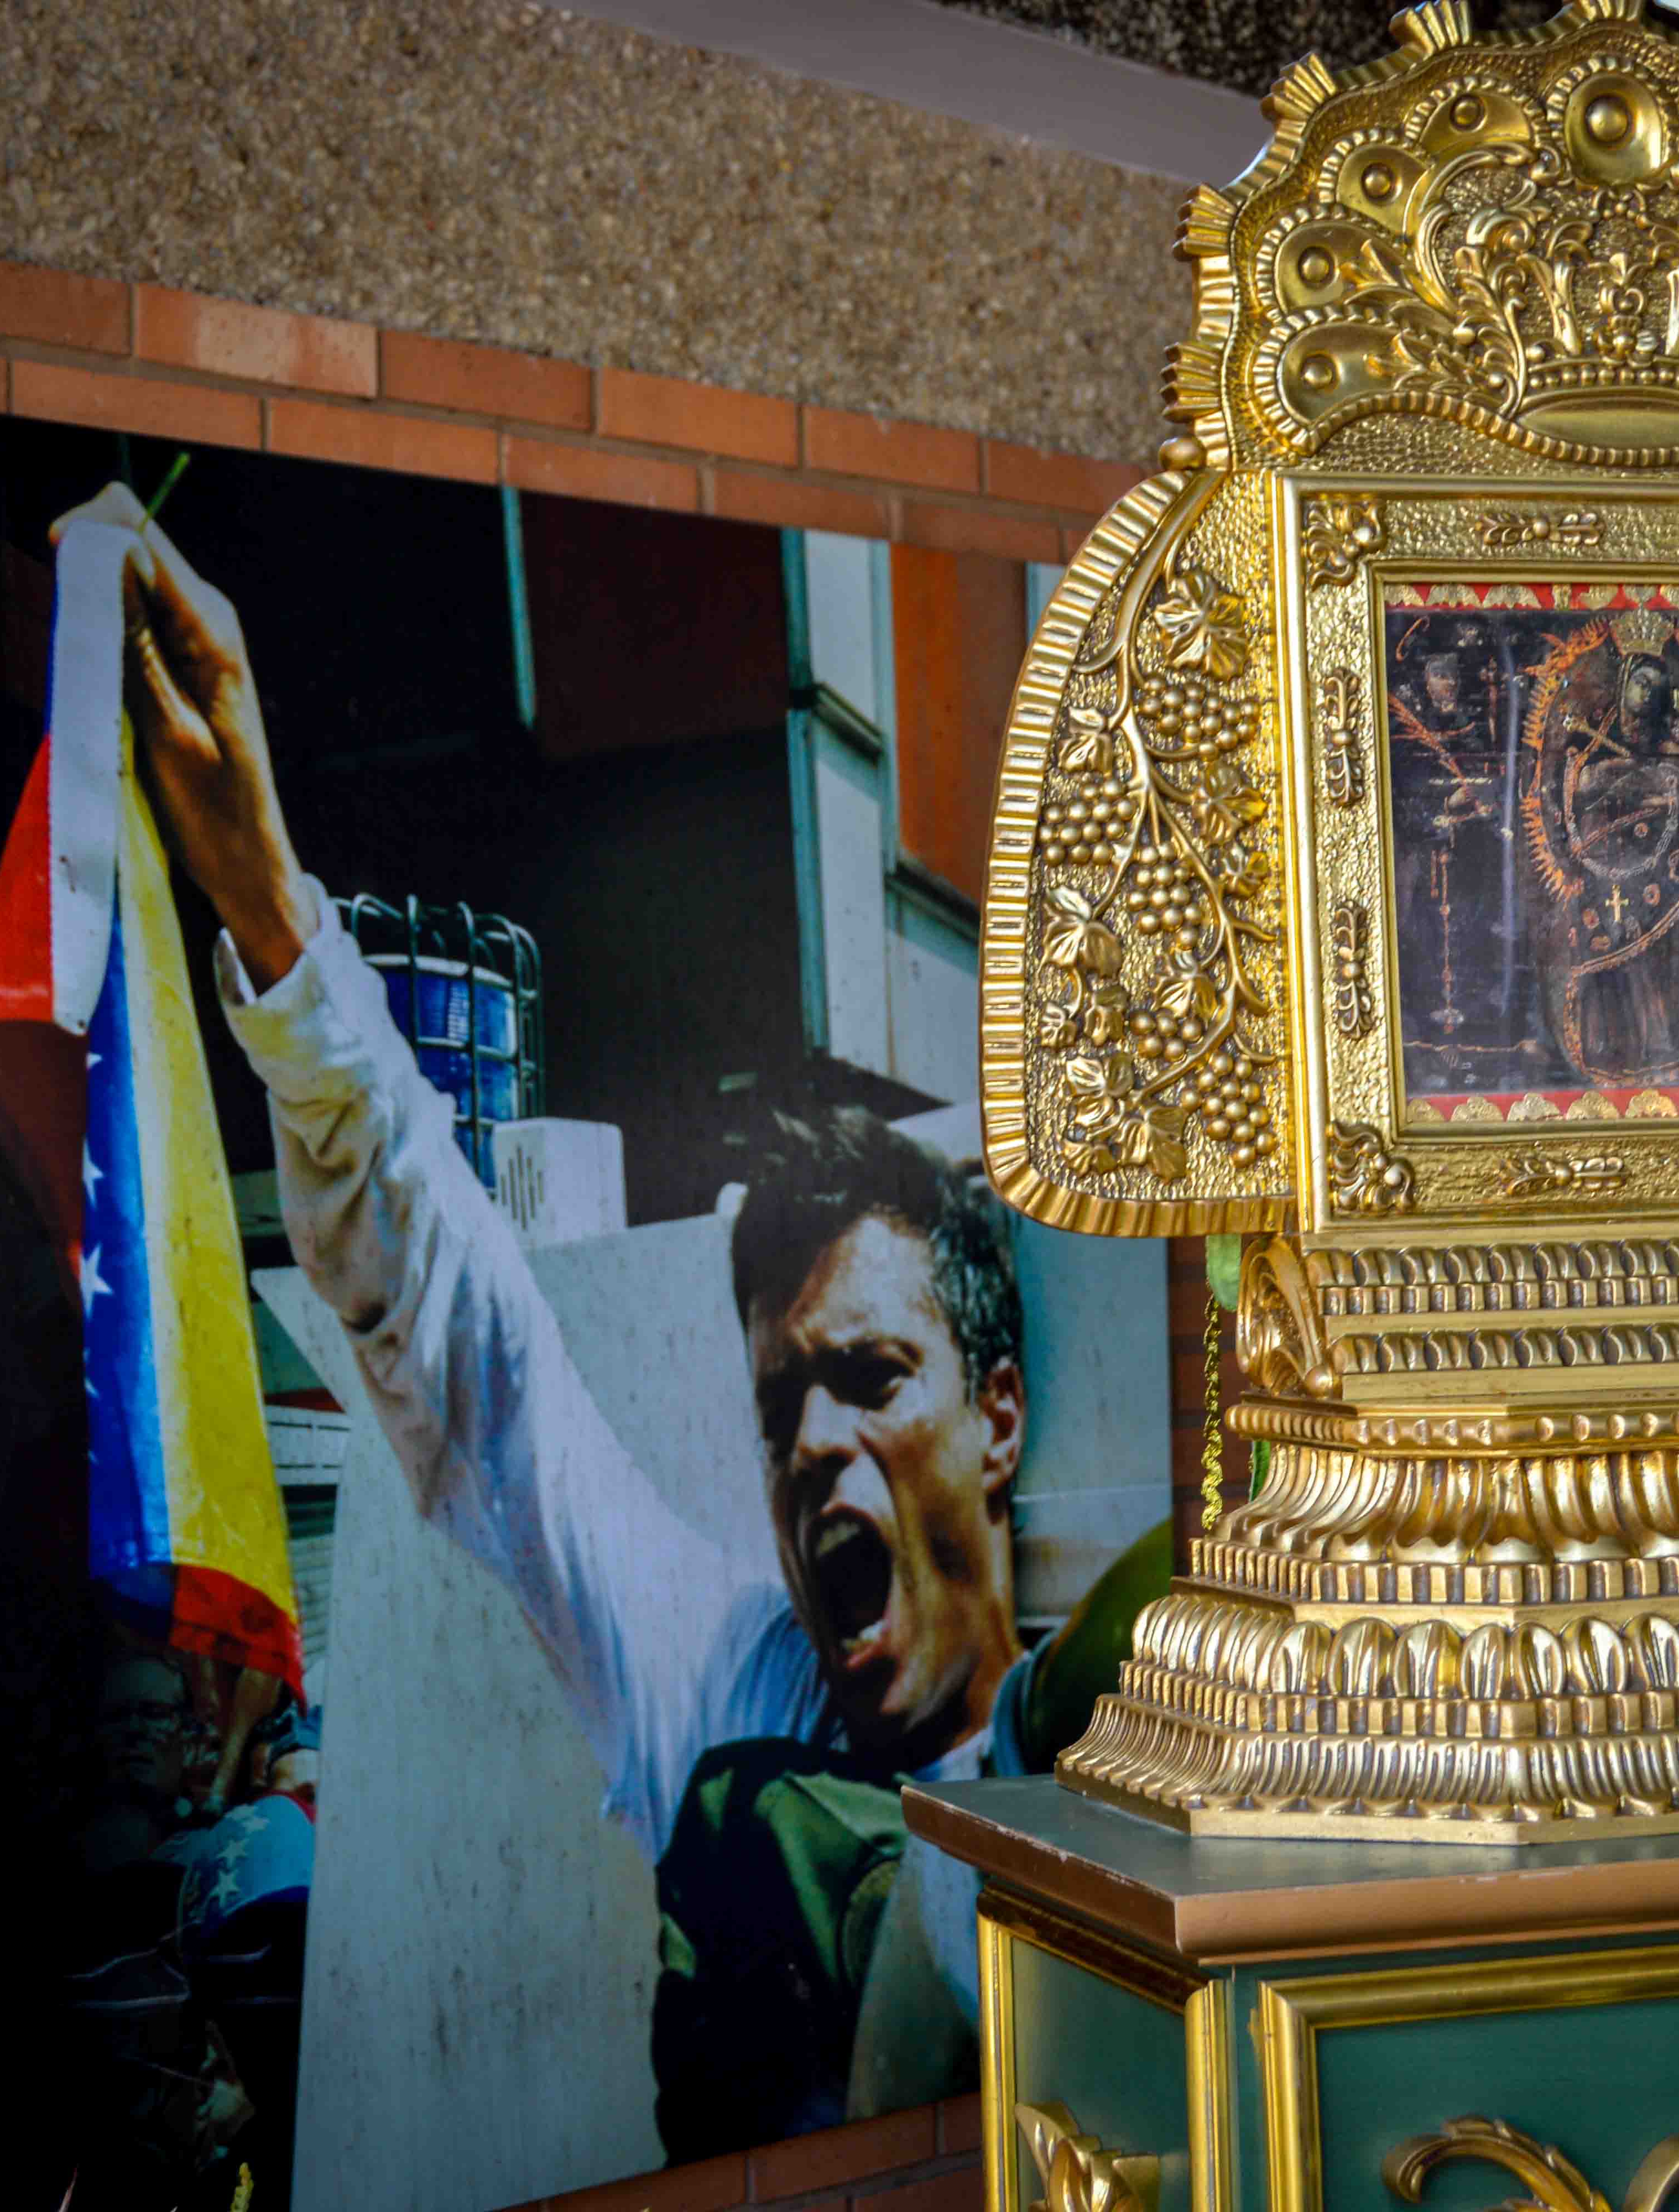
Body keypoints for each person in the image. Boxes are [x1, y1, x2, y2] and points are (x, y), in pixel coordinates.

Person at [66, 482, 1073, 2153]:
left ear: (1003, 1412)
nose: (816, 1443)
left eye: (871, 1377)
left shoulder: (1115, 1747)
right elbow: (480, 1355)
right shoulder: (731, 1692)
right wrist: (263, 899)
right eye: (779, 1408)